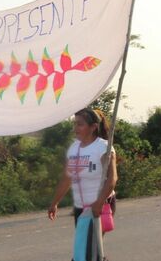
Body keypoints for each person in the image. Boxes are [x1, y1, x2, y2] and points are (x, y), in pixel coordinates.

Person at [47, 108, 118, 259]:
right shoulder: (74, 148)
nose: (75, 128)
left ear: (93, 127)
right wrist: (54, 203)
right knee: (88, 250)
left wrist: (99, 203)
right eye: (75, 124)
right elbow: (67, 178)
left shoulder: (103, 147)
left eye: (80, 124)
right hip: (80, 207)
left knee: (85, 252)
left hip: (99, 205)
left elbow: (112, 179)